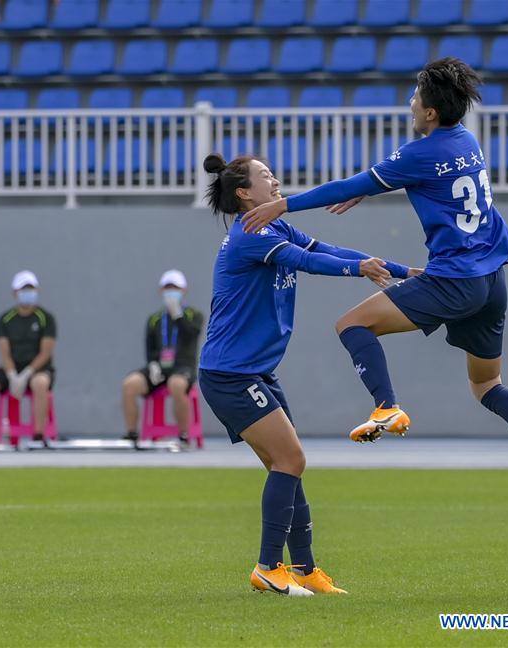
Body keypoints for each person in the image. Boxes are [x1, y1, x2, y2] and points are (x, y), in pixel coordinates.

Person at [241, 57, 508, 514]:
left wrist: (285, 207)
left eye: (417, 96)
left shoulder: (419, 153)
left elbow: (351, 182)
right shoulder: (467, 141)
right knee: (489, 385)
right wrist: (375, 185)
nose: (412, 103)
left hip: (454, 279)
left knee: (351, 325)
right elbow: (401, 179)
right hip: (492, 278)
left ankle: (386, 406)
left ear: (431, 112)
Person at [198, 152, 417, 596]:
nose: (274, 179)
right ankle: (267, 567)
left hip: (253, 372)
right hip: (230, 375)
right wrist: (358, 269)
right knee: (291, 461)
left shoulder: (274, 224)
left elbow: (323, 249)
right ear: (244, 193)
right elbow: (306, 262)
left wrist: (397, 270)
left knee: (287, 466)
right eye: (264, 175)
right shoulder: (250, 235)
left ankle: (305, 569)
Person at [0, 271, 57, 447]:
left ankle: (38, 435)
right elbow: (4, 352)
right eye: (23, 289)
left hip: (37, 369)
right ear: (15, 292)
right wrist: (12, 375)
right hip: (11, 369)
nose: (27, 293)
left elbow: (45, 352)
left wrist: (26, 374)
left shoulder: (45, 318)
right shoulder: (6, 319)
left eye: (31, 289)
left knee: (40, 384)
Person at [121, 269, 204, 444]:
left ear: (183, 290)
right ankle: (132, 434)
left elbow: (192, 334)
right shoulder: (155, 319)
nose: (171, 292)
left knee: (177, 384)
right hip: (159, 369)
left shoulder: (194, 315)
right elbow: (150, 348)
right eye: (167, 288)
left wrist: (178, 316)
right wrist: (152, 364)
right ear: (161, 290)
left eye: (174, 288)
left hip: (183, 367)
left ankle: (183, 436)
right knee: (129, 384)